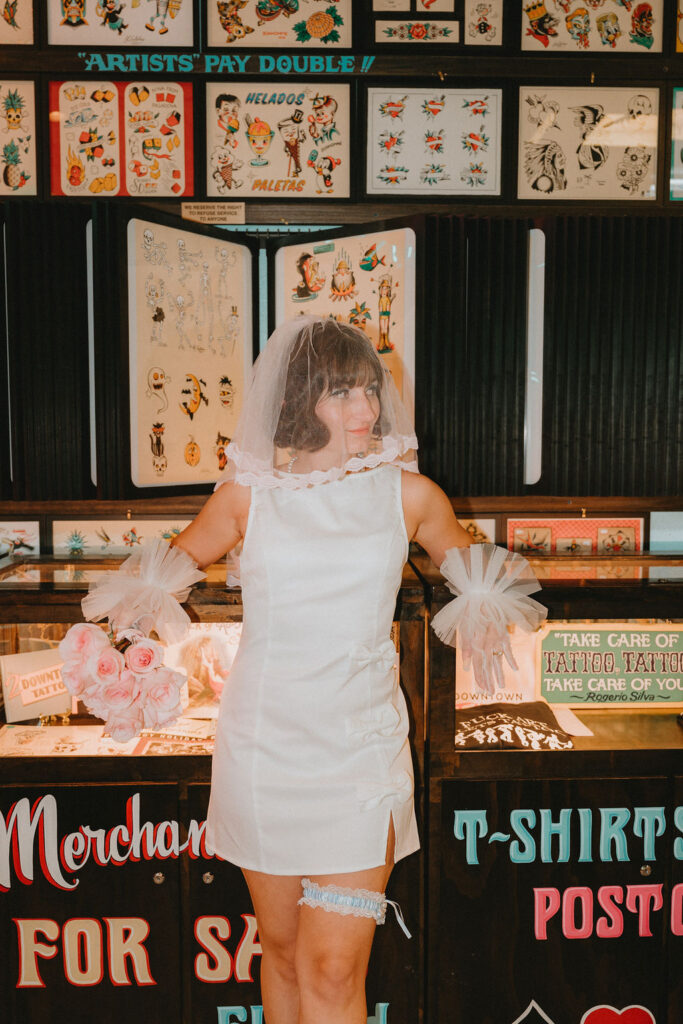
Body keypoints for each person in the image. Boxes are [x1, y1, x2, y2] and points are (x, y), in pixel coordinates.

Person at [76, 316, 545, 1023]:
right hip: (264, 750)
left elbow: (476, 576)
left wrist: (490, 600)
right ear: (299, 402)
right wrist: (115, 650)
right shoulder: (246, 495)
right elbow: (164, 572)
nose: (364, 412)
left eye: (368, 392)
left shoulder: (408, 494)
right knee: (286, 954)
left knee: (331, 971)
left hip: (359, 755)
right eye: (340, 394)